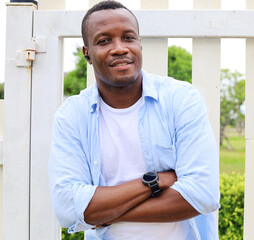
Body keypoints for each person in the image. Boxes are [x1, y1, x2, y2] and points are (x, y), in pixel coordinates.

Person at [49, 1, 220, 239]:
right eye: (104, 40)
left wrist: (104, 214)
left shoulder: (180, 100)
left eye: (128, 38)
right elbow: (67, 209)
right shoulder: (71, 116)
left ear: (139, 44)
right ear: (87, 53)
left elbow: (202, 194)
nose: (119, 48)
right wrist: (156, 181)